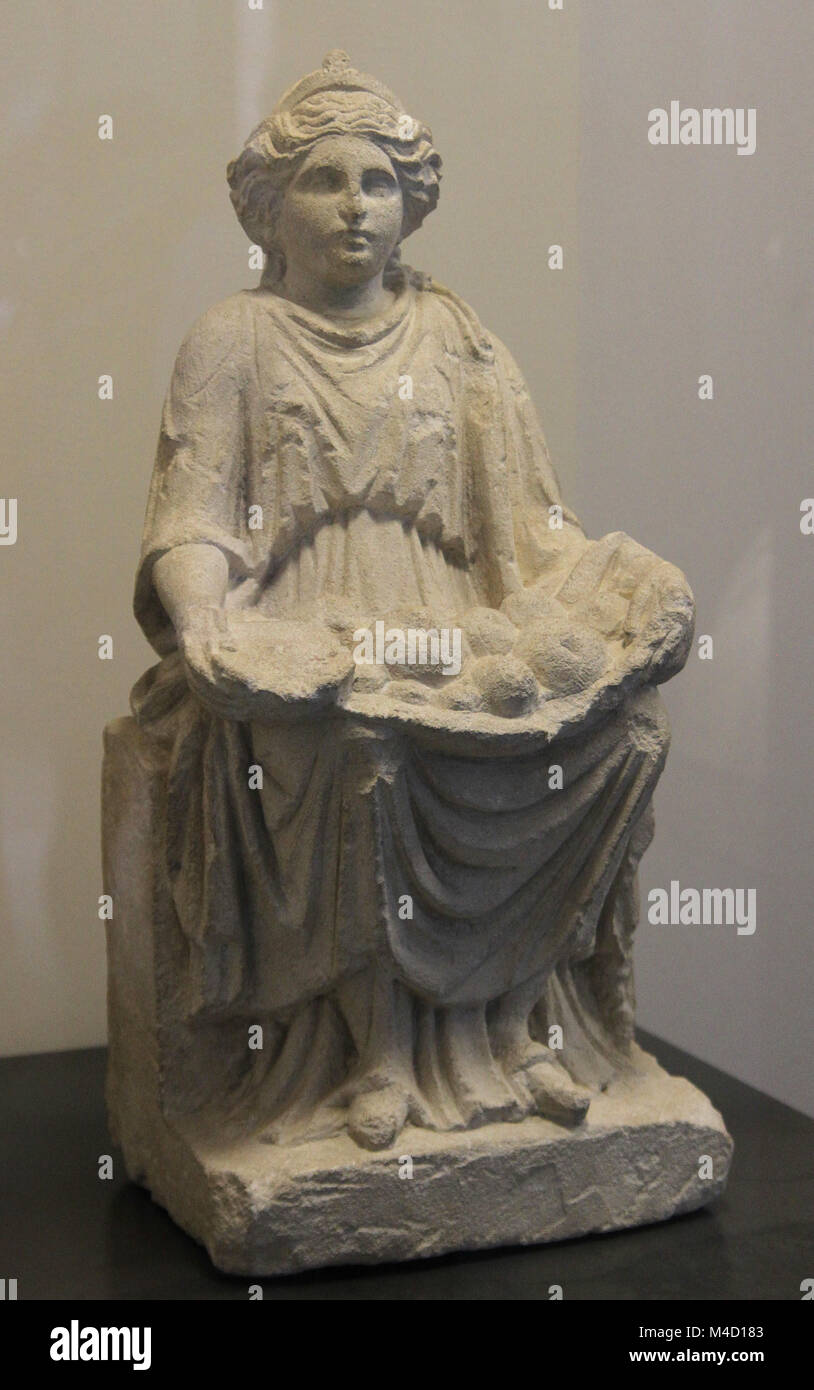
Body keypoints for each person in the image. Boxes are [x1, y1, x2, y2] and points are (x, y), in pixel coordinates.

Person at [130, 52, 694, 1150]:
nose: (355, 207)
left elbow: (533, 533)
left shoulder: (460, 343)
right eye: (325, 181)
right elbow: (191, 520)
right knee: (361, 752)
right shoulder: (231, 341)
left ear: (411, 204)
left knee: (623, 731)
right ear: (268, 208)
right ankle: (376, 1051)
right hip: (301, 636)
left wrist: (622, 591)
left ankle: (516, 1021)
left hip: (456, 632)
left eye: (379, 182)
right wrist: (204, 625)